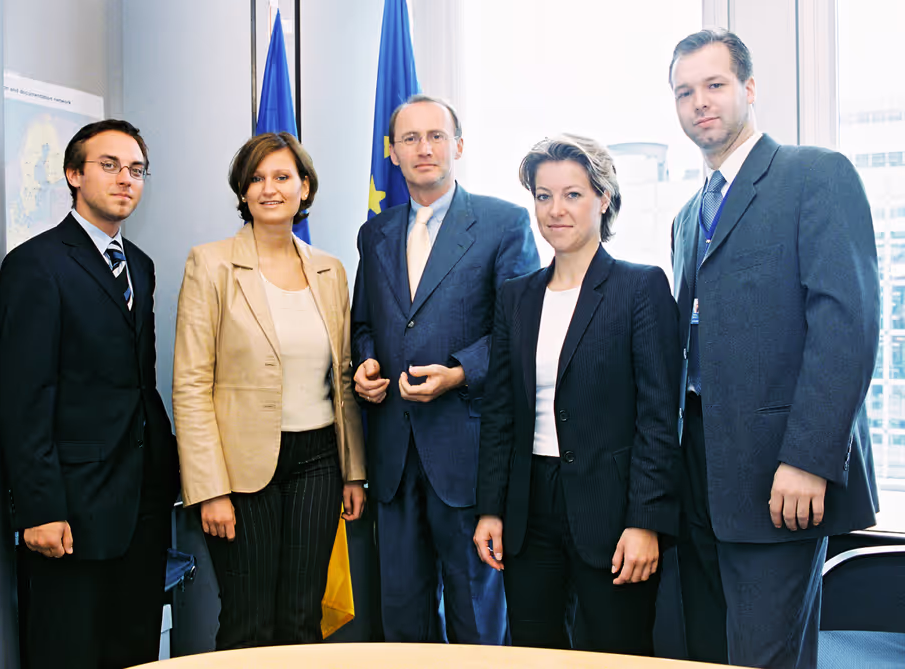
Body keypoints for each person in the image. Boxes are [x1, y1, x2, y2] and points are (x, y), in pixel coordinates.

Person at [668, 29, 880, 669]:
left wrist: (810, 458)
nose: (700, 102)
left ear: (749, 89)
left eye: (715, 85)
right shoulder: (686, 216)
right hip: (700, 475)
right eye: (685, 92)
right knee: (718, 655)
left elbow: (846, 323)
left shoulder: (814, 174)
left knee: (762, 658)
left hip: (779, 475)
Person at [474, 134, 681, 655]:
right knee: (534, 651)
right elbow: (501, 412)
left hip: (612, 512)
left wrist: (645, 522)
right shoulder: (516, 297)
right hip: (528, 510)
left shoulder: (641, 288)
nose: (555, 210)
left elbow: (659, 417)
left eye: (572, 194)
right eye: (543, 196)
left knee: (617, 652)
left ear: (603, 199)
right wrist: (490, 509)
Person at [351, 94, 540, 643]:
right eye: (410, 139)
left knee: (476, 620)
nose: (424, 148)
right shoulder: (376, 233)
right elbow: (365, 323)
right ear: (393, 153)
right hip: (392, 456)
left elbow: (518, 328)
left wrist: (459, 373)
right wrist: (365, 362)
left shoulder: (502, 223)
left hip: (467, 455)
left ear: (458, 146)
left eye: (436, 136)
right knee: (403, 620)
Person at [0, 119, 180, 669]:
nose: (126, 179)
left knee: (135, 646)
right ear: (74, 174)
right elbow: (24, 398)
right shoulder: (36, 265)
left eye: (137, 170)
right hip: (71, 507)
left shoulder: (140, 266)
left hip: (142, 502)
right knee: (69, 650)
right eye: (110, 166)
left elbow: (138, 383)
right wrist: (39, 509)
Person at [172, 132, 366, 649]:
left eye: (282, 177)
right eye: (256, 179)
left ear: (304, 187)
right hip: (240, 471)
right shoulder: (210, 264)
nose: (269, 189)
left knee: (302, 619)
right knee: (248, 621)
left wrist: (354, 471)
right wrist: (209, 489)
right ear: (242, 191)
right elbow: (190, 385)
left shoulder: (330, 270)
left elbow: (342, 379)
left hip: (320, 463)